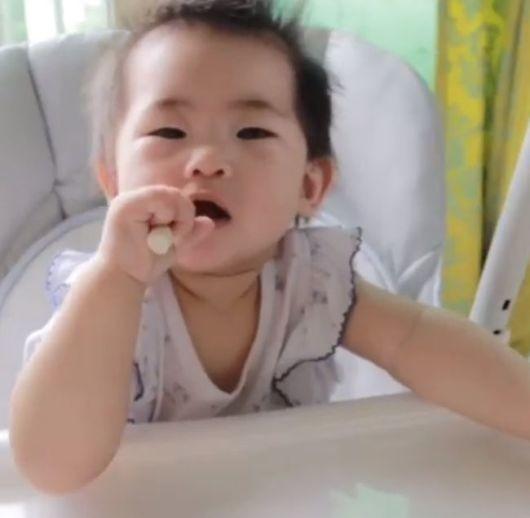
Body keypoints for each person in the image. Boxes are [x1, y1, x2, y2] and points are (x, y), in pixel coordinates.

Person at [8, 0, 530, 496]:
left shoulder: (313, 282)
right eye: (170, 131)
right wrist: (115, 278)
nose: (207, 160)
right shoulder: (110, 303)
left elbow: (420, 342)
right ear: (114, 182)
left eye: (251, 132)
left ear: (310, 187)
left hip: (282, 493)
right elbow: (52, 466)